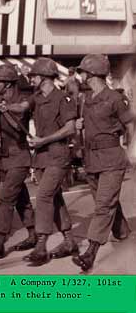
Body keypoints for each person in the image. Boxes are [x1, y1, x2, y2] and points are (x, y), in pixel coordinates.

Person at [72, 54, 134, 271]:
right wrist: (79, 127)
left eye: (82, 71)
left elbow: (130, 126)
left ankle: (90, 253)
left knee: (102, 205)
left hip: (111, 158)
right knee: (106, 201)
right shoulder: (85, 99)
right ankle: (122, 231)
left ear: (91, 74)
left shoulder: (114, 98)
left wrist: (132, 150)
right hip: (92, 159)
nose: (79, 75)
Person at [24, 57, 78, 265]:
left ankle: (41, 245)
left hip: (57, 154)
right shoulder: (36, 98)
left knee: (44, 196)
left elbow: (70, 128)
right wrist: (4, 106)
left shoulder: (63, 99)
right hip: (41, 157)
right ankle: (70, 241)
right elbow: (21, 106)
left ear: (45, 77)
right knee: (55, 199)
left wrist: (43, 140)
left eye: (34, 76)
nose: (32, 79)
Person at [0, 64, 36, 260]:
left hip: (19, 155)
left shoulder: (23, 99)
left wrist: (3, 107)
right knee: (21, 198)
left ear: (9, 84)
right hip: (5, 157)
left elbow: (17, 124)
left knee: (6, 198)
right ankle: (33, 234)